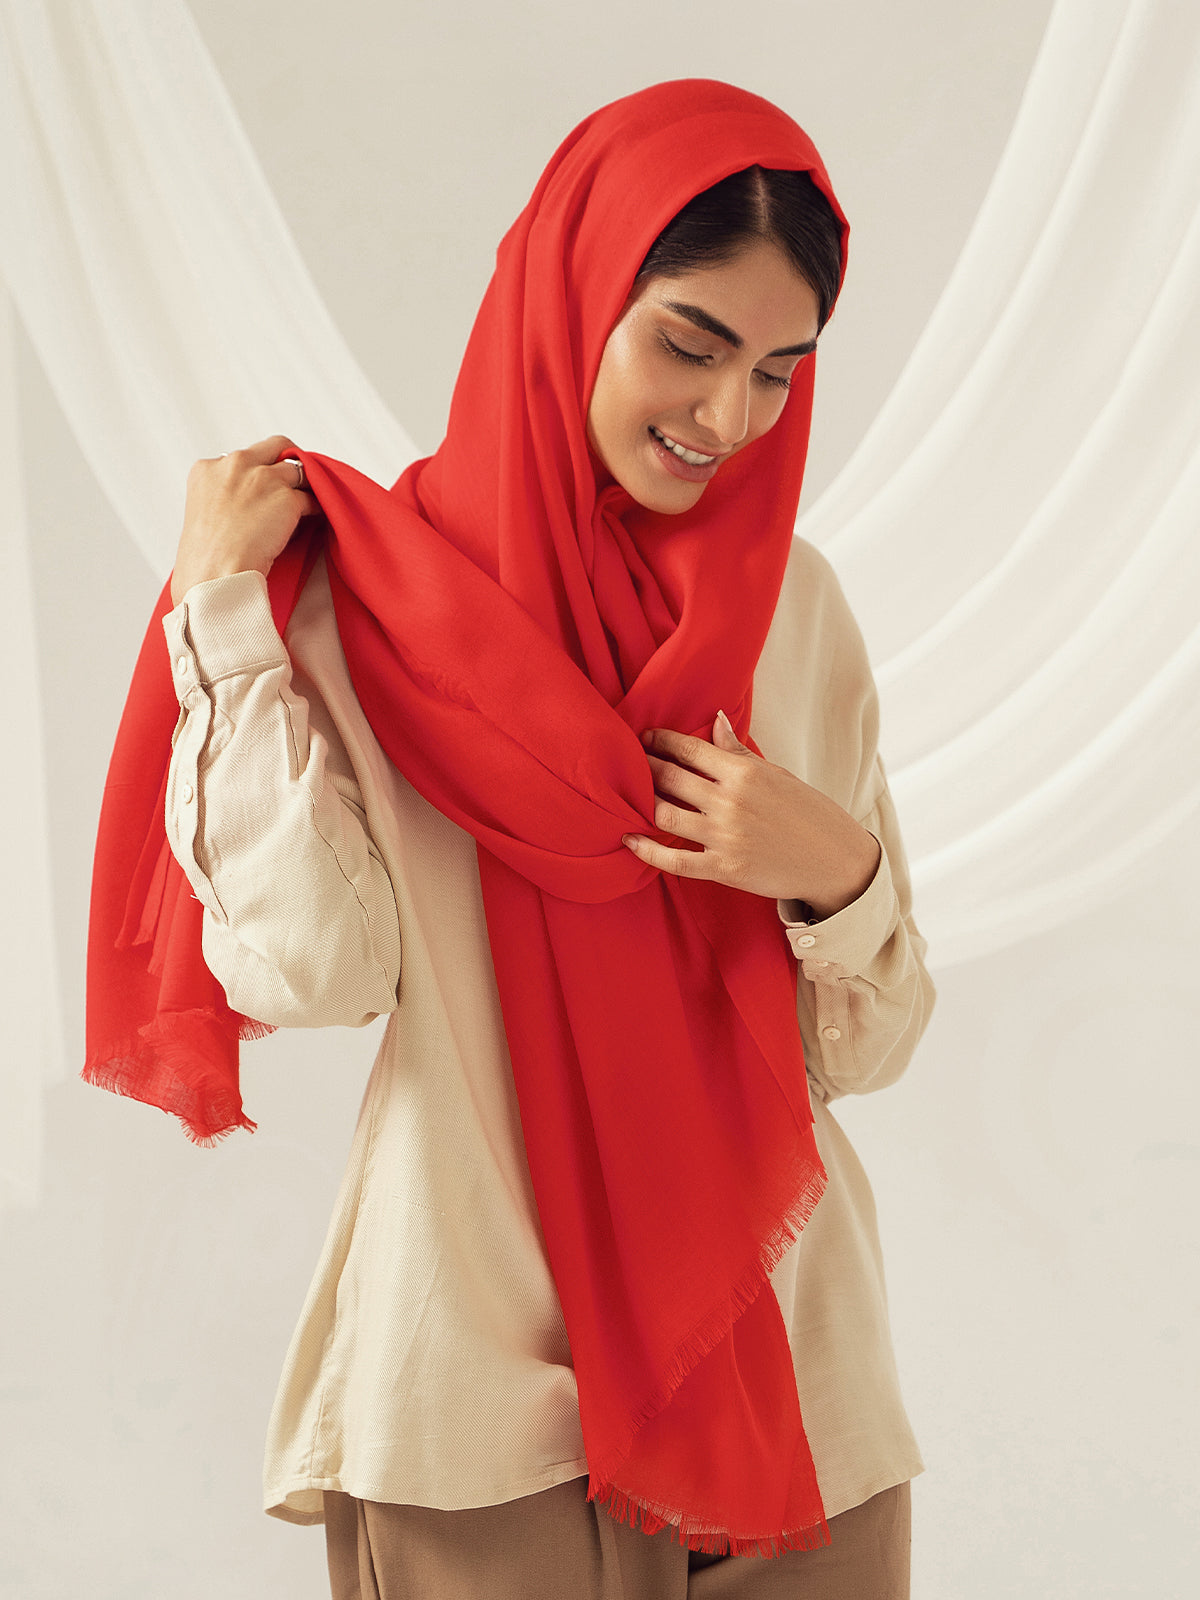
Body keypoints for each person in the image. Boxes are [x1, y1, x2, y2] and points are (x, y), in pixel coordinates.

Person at [85, 79, 934, 1598]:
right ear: (572, 294)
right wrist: (220, 616)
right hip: (479, 1406)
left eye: (778, 371)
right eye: (689, 345)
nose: (729, 418)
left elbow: (870, 1046)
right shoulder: (361, 607)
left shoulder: (792, 609)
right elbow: (314, 973)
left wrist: (834, 871)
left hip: (794, 1382)